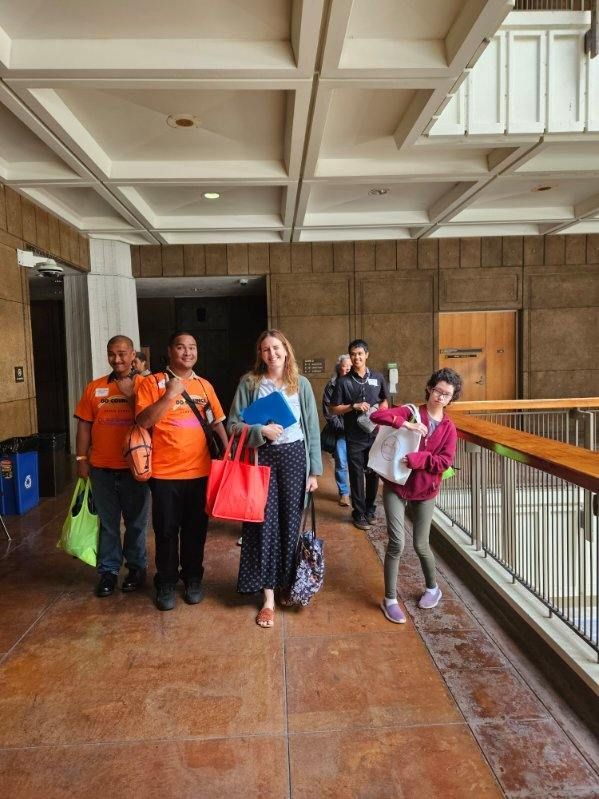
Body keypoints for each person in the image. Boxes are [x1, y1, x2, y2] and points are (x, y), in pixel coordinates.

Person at [228, 329, 322, 629]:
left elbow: (312, 428)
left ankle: (287, 585)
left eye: (277, 347)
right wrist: (260, 432)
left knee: (291, 524)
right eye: (266, 349)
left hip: (295, 457)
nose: (272, 354)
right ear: (260, 354)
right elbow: (232, 424)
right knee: (263, 525)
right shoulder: (250, 383)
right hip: (262, 459)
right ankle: (267, 598)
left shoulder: (301, 384)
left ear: (286, 349)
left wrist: (315, 471)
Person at [136, 331, 228, 611]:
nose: (187, 352)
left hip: (200, 472)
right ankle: (165, 582)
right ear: (170, 351)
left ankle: (192, 579)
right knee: (165, 531)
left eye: (192, 347)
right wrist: (169, 396)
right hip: (164, 474)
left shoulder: (204, 386)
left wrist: (228, 451)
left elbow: (215, 422)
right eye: (181, 347)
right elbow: (142, 420)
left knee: (195, 531)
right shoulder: (151, 383)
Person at [370, 368, 462, 623]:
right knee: (397, 542)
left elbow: (444, 462)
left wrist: (418, 459)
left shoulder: (448, 428)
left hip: (426, 490)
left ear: (451, 399)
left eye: (446, 394)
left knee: (421, 544)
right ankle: (389, 599)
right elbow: (377, 415)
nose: (440, 397)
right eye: (437, 390)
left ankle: (433, 588)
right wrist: (405, 423)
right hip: (396, 485)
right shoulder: (411, 411)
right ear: (429, 388)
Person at [74, 335, 150, 597]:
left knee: (136, 523)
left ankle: (137, 569)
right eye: (112, 354)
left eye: (122, 353)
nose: (117, 359)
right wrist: (81, 459)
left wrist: (132, 395)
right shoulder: (94, 388)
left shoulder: (145, 385)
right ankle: (108, 571)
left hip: (135, 470)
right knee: (108, 524)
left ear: (133, 356)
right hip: (101, 468)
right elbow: (84, 424)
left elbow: (152, 421)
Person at [330, 339, 389, 531]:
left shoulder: (378, 378)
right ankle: (359, 512)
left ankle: (370, 509)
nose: (356, 357)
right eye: (353, 354)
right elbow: (333, 409)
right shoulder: (343, 381)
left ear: (366, 355)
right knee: (356, 475)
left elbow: (384, 402)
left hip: (374, 434)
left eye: (360, 354)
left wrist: (378, 414)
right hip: (354, 437)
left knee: (373, 473)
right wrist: (352, 406)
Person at [322, 354, 351, 506]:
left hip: (359, 432)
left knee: (359, 464)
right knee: (341, 462)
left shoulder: (360, 382)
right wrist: (342, 429)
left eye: (350, 366)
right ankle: (344, 493)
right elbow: (328, 411)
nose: (347, 368)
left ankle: (357, 492)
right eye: (345, 366)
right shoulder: (332, 385)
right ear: (339, 368)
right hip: (341, 432)